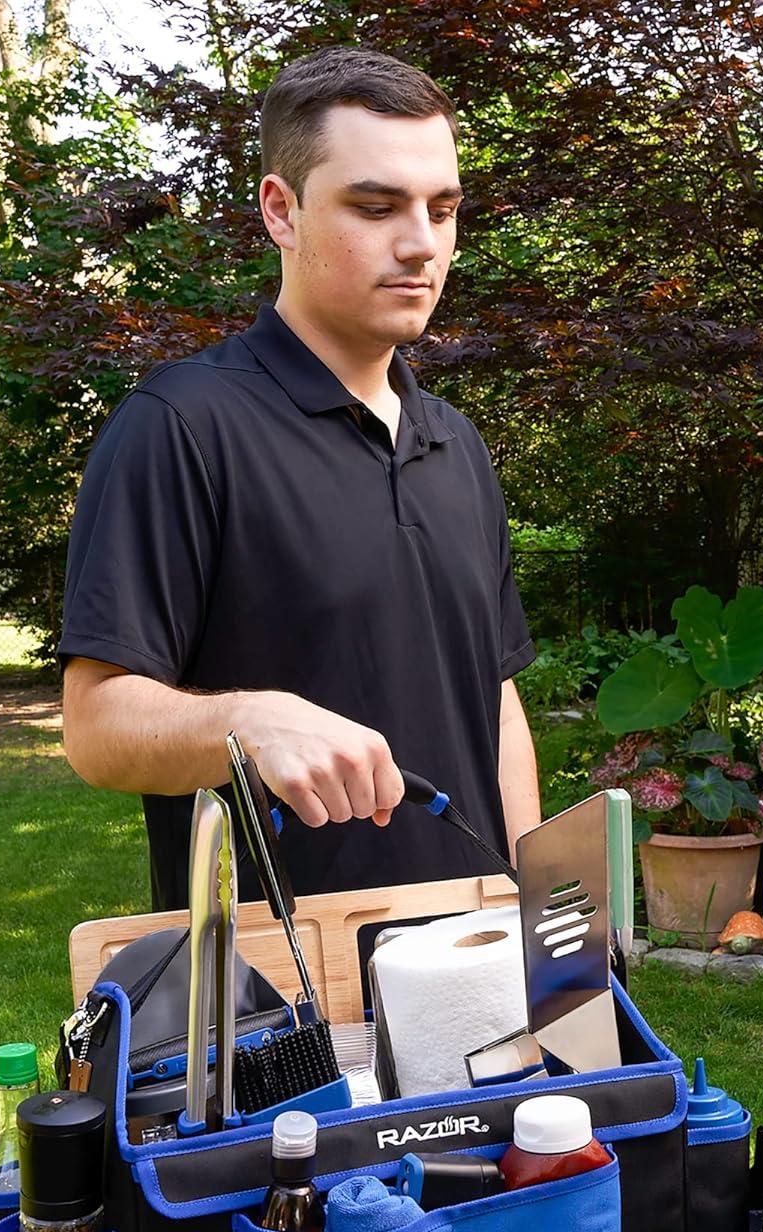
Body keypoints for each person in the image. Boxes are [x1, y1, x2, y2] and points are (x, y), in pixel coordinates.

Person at [59, 48, 540, 909]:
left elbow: (495, 701)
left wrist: (531, 910)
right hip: (280, 999)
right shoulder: (181, 427)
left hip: (476, 972)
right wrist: (245, 722)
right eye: (374, 205)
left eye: (443, 208)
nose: (421, 243)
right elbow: (95, 727)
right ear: (282, 212)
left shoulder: (456, 445)